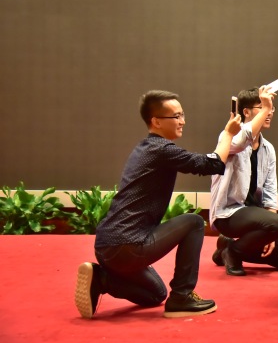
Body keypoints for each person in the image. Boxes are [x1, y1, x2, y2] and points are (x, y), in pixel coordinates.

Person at [74, 90, 241, 319]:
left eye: (182, 115)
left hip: (106, 247)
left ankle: (103, 280)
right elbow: (210, 164)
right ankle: (182, 297)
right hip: (128, 245)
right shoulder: (162, 150)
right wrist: (228, 134)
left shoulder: (145, 147)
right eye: (176, 116)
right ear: (156, 121)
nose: (182, 121)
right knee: (194, 222)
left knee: (156, 294)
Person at [209, 86, 278, 276]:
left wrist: (271, 234)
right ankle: (234, 252)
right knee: (277, 223)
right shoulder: (228, 136)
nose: (269, 112)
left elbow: (270, 192)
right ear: (246, 112)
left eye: (271, 108)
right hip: (229, 214)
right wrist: (273, 224)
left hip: (256, 216)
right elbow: (242, 141)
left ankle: (226, 248)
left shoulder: (268, 149)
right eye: (263, 107)